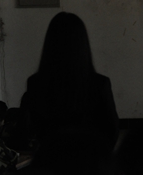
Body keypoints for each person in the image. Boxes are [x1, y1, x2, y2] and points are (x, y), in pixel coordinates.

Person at [19, 12, 119, 153]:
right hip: (89, 160)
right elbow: (111, 130)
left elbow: (33, 128)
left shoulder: (35, 83)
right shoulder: (99, 84)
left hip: (51, 159)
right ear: (83, 43)